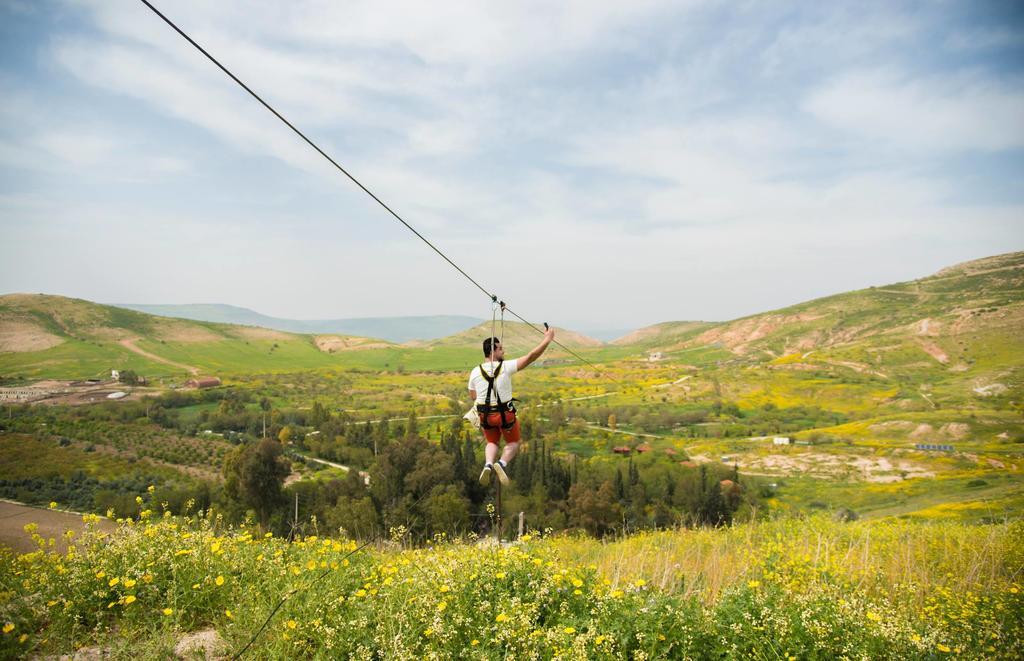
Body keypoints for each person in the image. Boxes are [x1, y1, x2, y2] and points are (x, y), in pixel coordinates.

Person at [468, 327, 555, 486]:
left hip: (484, 416)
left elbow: (473, 396)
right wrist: (547, 340)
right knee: (513, 443)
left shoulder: (475, 371)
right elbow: (531, 357)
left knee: (492, 442)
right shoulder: (506, 367)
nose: (503, 351)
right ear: (493, 351)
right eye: (500, 349)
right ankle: (501, 463)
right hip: (504, 415)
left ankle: (488, 463)